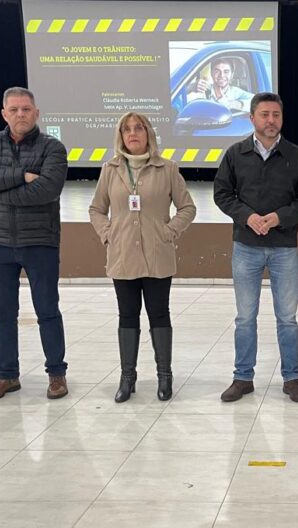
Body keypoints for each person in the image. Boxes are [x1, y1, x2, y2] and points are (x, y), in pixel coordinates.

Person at [0, 87, 69, 402]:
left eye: (26, 109)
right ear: (4, 114)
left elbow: (47, 191)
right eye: (14, 109)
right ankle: (6, 376)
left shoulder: (53, 148)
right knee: (3, 314)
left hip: (40, 241)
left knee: (48, 311)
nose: (20, 114)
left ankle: (56, 374)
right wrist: (23, 176)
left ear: (36, 113)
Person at [213, 92, 298, 403]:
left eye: (275, 115)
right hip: (246, 247)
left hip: (284, 247)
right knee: (245, 317)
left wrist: (278, 218)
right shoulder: (235, 154)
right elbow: (222, 193)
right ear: (252, 118)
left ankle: (292, 378)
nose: (270, 120)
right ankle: (243, 378)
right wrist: (248, 217)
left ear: (281, 119)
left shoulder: (296, 155)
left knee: (287, 318)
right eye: (264, 115)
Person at [89, 112, 196, 403]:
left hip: (158, 255)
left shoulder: (167, 169)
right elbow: (96, 209)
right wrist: (107, 232)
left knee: (159, 314)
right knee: (127, 316)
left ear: (148, 133)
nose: (133, 133)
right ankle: (128, 378)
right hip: (123, 255)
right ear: (120, 136)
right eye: (127, 130)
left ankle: (164, 376)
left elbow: (187, 207)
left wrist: (169, 231)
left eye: (139, 128)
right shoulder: (110, 169)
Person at [188, 59, 253, 111]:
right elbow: (179, 104)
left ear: (232, 74)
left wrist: (231, 104)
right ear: (211, 73)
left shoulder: (236, 92)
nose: (221, 75)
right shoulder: (202, 89)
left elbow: (259, 102)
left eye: (226, 72)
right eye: (217, 71)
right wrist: (189, 87)